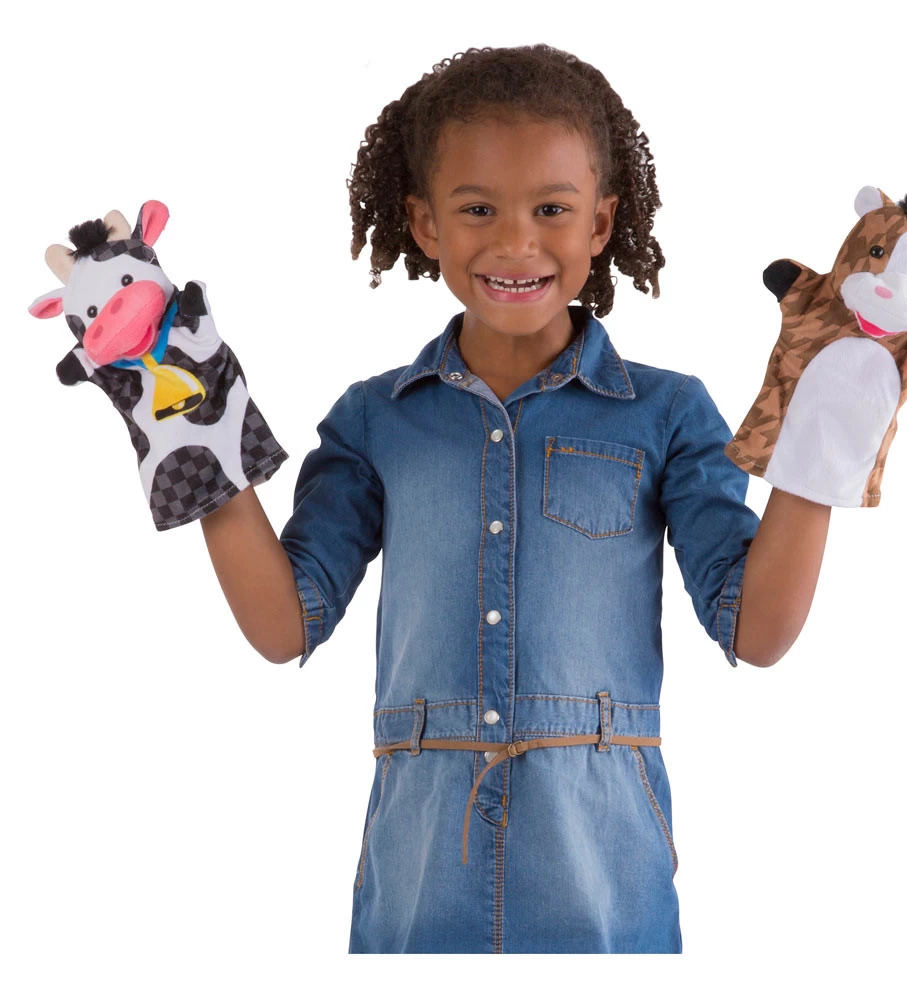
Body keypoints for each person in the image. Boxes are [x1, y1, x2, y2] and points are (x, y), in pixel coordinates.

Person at [200, 43, 831, 953]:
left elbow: (756, 631)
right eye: (477, 209)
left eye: (551, 209)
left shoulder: (665, 413)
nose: (514, 242)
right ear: (424, 223)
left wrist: (823, 437)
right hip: (422, 883)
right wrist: (194, 434)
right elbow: (283, 625)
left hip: (603, 879)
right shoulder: (376, 420)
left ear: (602, 221)